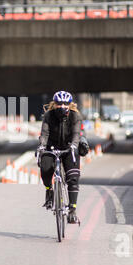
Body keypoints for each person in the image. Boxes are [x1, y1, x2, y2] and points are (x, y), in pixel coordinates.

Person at [36, 91, 81, 224]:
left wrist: (74, 145)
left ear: (70, 104)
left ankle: (72, 210)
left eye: (65, 104)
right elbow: (44, 133)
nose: (62, 106)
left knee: (73, 177)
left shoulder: (75, 116)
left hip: (69, 148)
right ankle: (49, 191)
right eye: (59, 103)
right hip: (51, 147)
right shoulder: (48, 116)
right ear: (54, 104)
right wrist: (42, 146)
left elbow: (76, 133)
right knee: (45, 169)